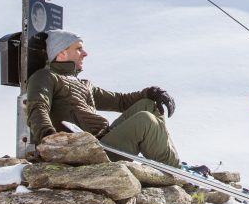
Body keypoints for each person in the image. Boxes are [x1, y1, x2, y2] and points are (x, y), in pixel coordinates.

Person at [25, 30, 182, 167]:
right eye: (79, 49)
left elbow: (119, 101)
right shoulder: (46, 77)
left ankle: (172, 162)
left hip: (104, 140)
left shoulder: (84, 84)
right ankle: (178, 172)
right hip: (86, 150)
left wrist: (150, 92)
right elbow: (38, 107)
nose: (85, 53)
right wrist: (49, 139)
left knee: (148, 105)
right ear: (61, 53)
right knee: (145, 120)